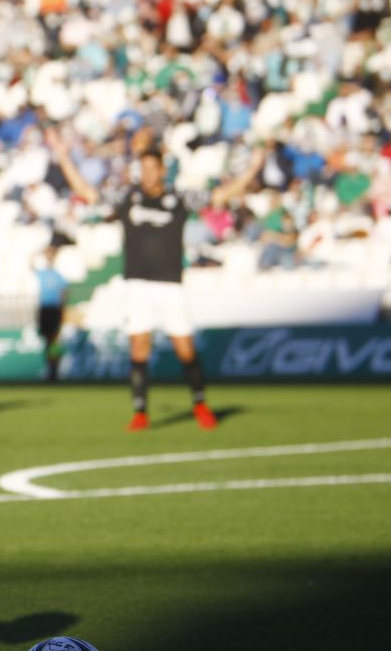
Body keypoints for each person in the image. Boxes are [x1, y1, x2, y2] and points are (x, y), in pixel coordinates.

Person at [53, 127, 263, 431]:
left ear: (163, 170)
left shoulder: (178, 198)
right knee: (139, 346)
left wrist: (253, 168)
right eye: (144, 168)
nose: (148, 174)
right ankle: (140, 411)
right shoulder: (128, 197)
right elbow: (87, 193)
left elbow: (220, 195)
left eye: (153, 168)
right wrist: (63, 158)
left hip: (170, 285)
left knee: (184, 348)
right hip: (137, 284)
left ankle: (200, 403)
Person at [32, 242, 69, 382]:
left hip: (54, 309)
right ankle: (50, 368)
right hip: (44, 308)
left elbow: (64, 292)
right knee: (48, 340)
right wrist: (39, 251)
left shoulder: (58, 275)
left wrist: (62, 309)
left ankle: (55, 369)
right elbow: (30, 264)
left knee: (54, 340)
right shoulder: (42, 273)